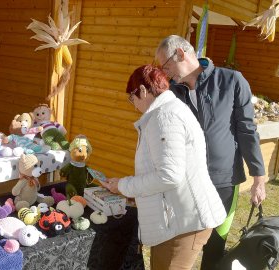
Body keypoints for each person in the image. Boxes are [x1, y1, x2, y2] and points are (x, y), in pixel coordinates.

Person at [155, 35, 266, 269]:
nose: (166, 73)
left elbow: (247, 130)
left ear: (181, 54)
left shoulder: (231, 80)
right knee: (184, 243)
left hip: (224, 181)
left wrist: (259, 178)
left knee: (215, 244)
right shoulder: (173, 93)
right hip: (187, 182)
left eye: (166, 66)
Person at [102, 64, 227, 270]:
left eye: (131, 98)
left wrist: (124, 186)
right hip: (180, 220)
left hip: (183, 224)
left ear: (142, 90)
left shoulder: (164, 117)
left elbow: (169, 175)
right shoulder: (167, 112)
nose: (133, 106)